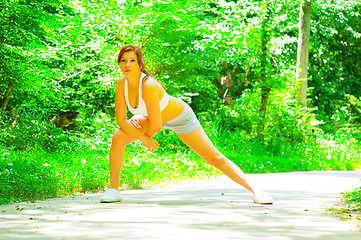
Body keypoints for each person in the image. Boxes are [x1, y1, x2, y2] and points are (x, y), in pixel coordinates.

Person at [100, 45, 273, 204]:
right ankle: (113, 190)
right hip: (150, 118)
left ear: (139, 64)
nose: (127, 65)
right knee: (118, 138)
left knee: (215, 158)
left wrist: (145, 138)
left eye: (132, 60)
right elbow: (121, 120)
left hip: (181, 118)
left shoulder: (148, 85)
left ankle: (257, 191)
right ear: (118, 64)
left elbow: (157, 127)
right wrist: (142, 138)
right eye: (123, 61)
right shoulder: (121, 84)